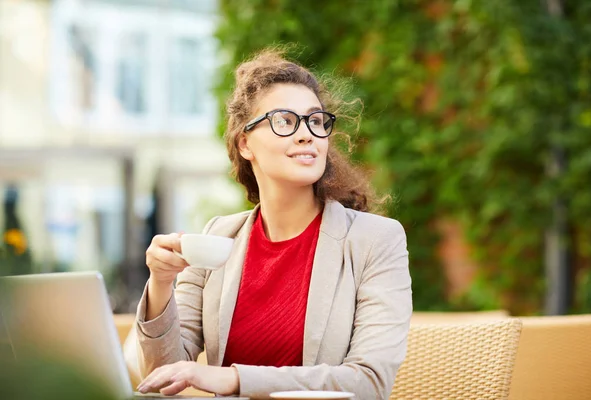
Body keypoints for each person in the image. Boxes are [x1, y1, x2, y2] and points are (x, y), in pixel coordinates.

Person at [129, 49, 412, 400]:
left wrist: (233, 380)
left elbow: (369, 383)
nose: (307, 134)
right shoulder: (218, 236)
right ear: (245, 143)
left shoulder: (375, 240)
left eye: (315, 120)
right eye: (284, 120)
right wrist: (161, 281)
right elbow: (161, 376)